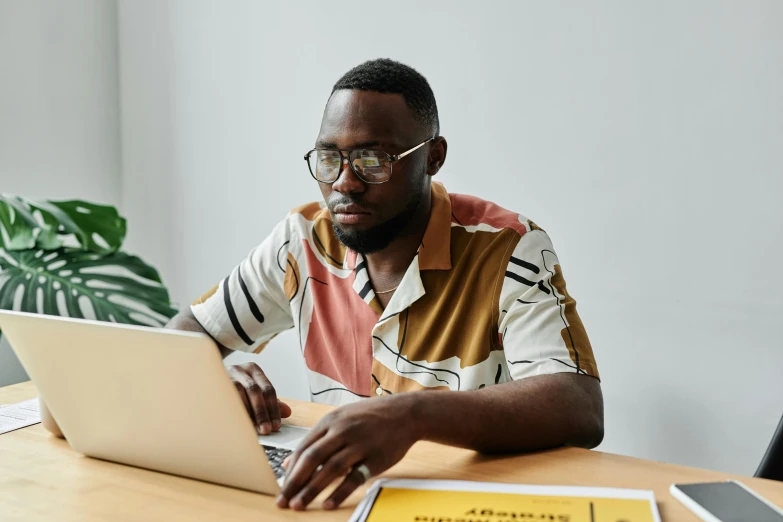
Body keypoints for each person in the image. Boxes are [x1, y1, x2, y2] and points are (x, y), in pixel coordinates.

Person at [43, 58, 604, 511]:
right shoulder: (303, 240)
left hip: (459, 499)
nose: (344, 184)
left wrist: (411, 416)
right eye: (329, 157)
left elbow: (576, 405)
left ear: (432, 158)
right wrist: (213, 371)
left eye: (372, 160)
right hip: (338, 498)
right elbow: (183, 336)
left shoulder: (507, 246)